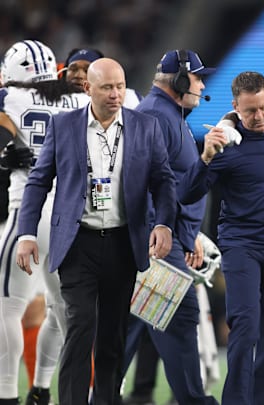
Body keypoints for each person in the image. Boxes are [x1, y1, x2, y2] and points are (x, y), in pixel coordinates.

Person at [15, 57, 176, 405]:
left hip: (123, 244)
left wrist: (163, 223)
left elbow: (163, 181)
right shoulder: (64, 126)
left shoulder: (145, 126)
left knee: (113, 337)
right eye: (107, 87)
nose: (116, 94)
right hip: (77, 242)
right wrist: (26, 233)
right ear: (88, 88)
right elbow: (38, 182)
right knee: (80, 326)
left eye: (119, 86)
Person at [178, 71, 264, 404]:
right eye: (249, 111)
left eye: (263, 108)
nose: (258, 117)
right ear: (235, 107)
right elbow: (187, 194)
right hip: (242, 246)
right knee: (245, 328)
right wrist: (206, 157)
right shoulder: (223, 143)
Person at [117, 49, 219, 405]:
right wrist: (159, 235)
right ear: (179, 80)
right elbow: (141, 184)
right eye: (198, 77)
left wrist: (189, 235)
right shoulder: (157, 116)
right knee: (179, 313)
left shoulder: (167, 114)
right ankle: (194, 400)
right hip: (154, 239)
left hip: (162, 236)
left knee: (130, 325)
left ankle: (95, 397)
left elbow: (176, 182)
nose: (203, 84)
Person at [0, 39, 89, 405]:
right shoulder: (83, 101)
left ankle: (6, 395)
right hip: (74, 218)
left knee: (7, 308)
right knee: (67, 312)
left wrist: (9, 157)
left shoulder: (10, 98)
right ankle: (75, 393)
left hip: (30, 215)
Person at [62, 47, 143, 108]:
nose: (78, 75)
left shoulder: (128, 97)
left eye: (87, 71)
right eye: (73, 69)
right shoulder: (54, 100)